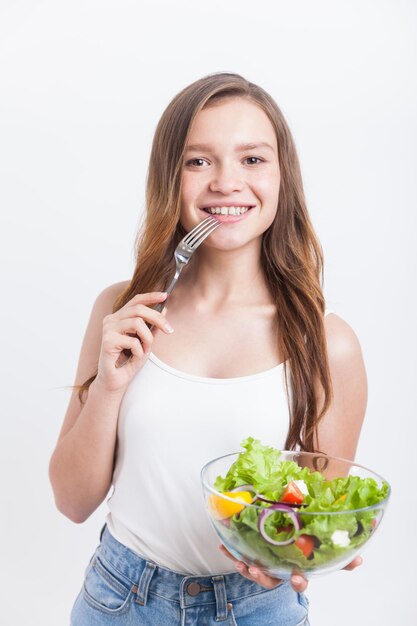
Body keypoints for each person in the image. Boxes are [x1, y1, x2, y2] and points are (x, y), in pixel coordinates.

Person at [49, 72, 366, 625]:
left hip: (259, 610)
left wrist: (304, 554)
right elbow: (73, 502)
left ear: (282, 176)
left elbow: (310, 521)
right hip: (121, 601)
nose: (226, 182)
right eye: (198, 161)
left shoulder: (326, 342)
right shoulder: (122, 312)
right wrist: (109, 387)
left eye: (252, 159)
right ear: (169, 178)